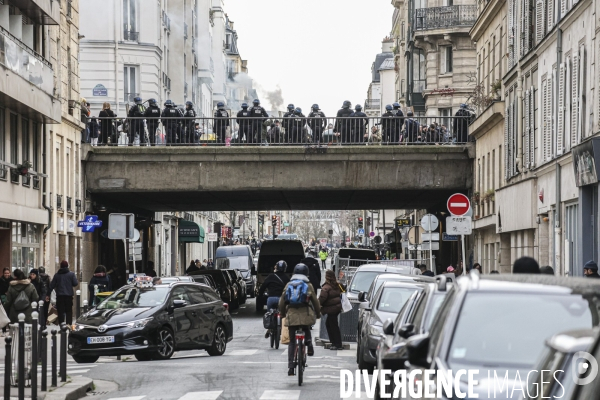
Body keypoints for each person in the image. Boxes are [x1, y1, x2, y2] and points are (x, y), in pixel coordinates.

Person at [278, 263, 321, 376]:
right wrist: (318, 313)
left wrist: (283, 313)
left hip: (291, 315)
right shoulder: (308, 285)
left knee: (292, 342)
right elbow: (315, 301)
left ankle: (291, 367)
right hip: (305, 313)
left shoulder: (288, 285)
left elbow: (282, 301)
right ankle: (309, 345)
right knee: (306, 327)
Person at [319, 269, 344, 350]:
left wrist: (318, 304)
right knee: (330, 324)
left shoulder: (326, 287)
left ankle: (337, 344)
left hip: (331, 309)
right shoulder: (338, 285)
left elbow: (322, 298)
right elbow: (343, 290)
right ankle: (334, 343)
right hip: (337, 307)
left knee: (333, 326)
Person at [49, 260, 79, 325]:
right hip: (68, 296)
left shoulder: (57, 275)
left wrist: (47, 294)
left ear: (60, 266)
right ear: (67, 266)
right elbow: (75, 283)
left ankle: (62, 326)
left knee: (60, 312)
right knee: (69, 311)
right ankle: (68, 325)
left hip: (60, 296)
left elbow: (51, 286)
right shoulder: (71, 274)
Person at [0, 268, 12, 334]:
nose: (7, 274)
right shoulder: (1, 280)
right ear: (3, 273)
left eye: (8, 273)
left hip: (11, 299)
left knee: (10, 313)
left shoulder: (12, 280)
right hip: (3, 299)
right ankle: (4, 329)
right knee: (4, 314)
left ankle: (10, 327)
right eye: (5, 273)